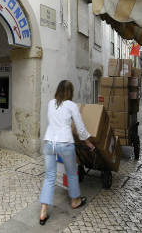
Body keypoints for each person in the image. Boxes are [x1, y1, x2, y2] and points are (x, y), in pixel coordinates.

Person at [39, 80, 95, 225]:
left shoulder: (51, 103)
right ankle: (75, 200)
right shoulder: (71, 105)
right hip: (65, 143)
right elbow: (80, 128)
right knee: (71, 173)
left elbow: (52, 121)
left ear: (58, 90)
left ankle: (43, 211)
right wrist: (88, 142)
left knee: (49, 176)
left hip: (49, 142)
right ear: (71, 92)